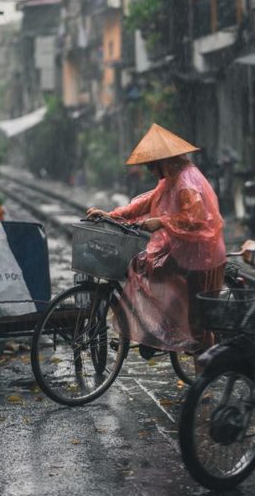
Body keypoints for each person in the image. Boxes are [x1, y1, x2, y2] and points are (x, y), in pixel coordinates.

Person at [87, 124, 225, 356]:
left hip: (203, 256)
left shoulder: (187, 184)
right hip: (183, 251)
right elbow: (145, 202)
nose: (151, 171)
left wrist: (162, 221)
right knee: (148, 267)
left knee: (200, 327)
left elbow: (198, 220)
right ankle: (165, 326)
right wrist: (112, 215)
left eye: (152, 165)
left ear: (165, 161)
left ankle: (207, 381)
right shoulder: (171, 179)